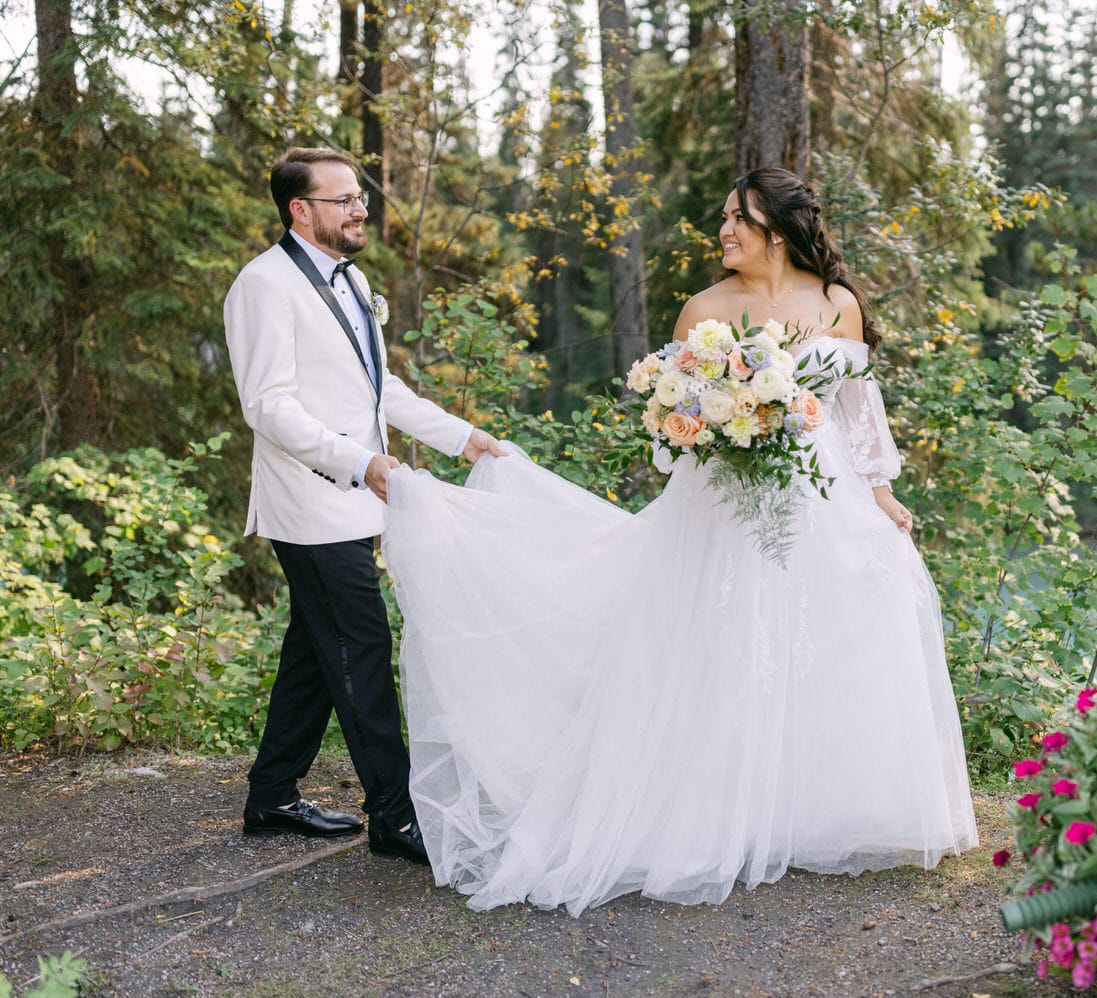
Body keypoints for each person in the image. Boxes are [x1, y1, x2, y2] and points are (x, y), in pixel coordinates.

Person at [382, 167, 977, 912]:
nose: (724, 230)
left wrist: (881, 489)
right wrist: (713, 423)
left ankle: (804, 804)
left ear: (780, 231)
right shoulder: (704, 306)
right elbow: (670, 431)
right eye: (724, 217)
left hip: (819, 494)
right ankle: (711, 806)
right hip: (720, 499)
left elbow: (858, 409)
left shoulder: (837, 304)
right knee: (716, 639)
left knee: (830, 621)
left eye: (740, 218)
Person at [223, 146, 504, 865]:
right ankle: (395, 814)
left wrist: (464, 438)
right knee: (363, 647)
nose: (360, 210)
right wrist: (361, 463)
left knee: (318, 653)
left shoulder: (353, 280)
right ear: (300, 210)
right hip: (310, 505)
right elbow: (268, 406)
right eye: (344, 199)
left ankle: (272, 795)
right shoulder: (263, 286)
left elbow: (382, 392)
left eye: (361, 199)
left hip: (353, 503)